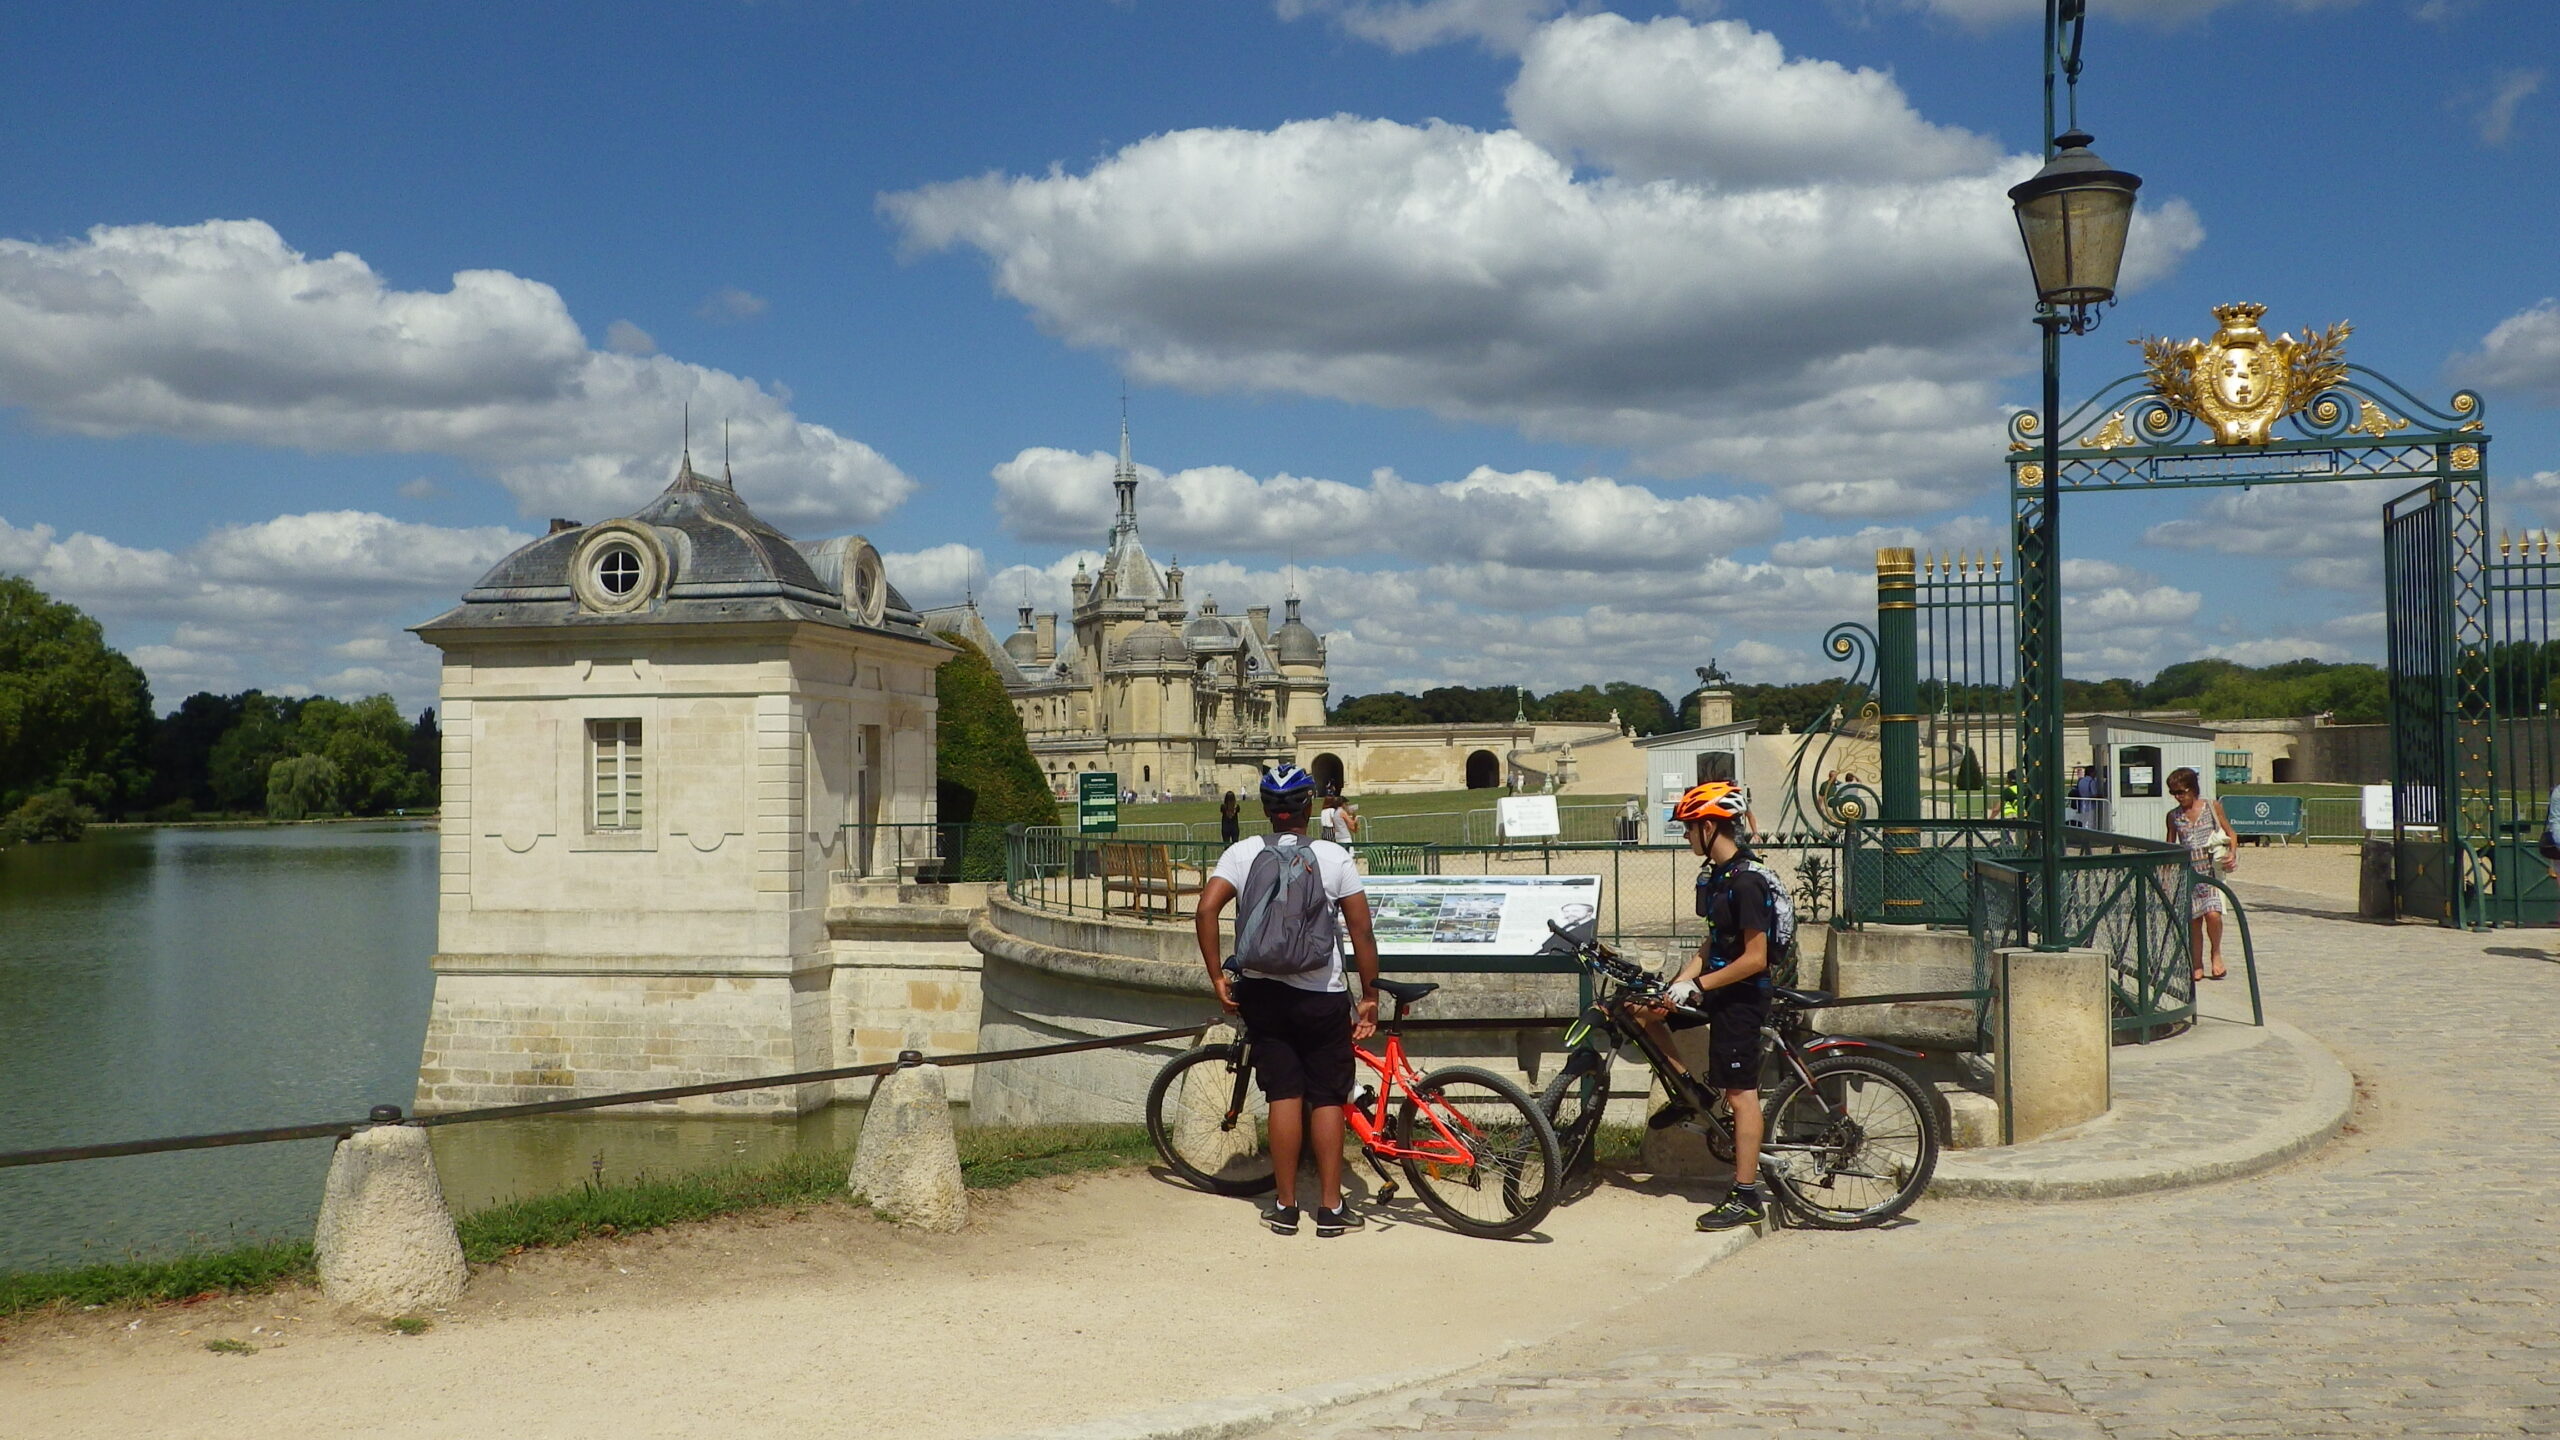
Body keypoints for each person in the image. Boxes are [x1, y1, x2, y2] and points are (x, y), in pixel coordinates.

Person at [1193, 763, 1383, 1237]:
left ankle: (1284, 1205)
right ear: (1309, 806)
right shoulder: (1333, 856)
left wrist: (1218, 976)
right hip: (1321, 993)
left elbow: (1206, 909)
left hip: (1262, 990)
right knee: (1325, 1097)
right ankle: (1332, 1207)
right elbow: (1361, 930)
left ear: (1266, 809)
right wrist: (1370, 995)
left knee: (1283, 1095)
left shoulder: (1241, 853)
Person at [1629, 780, 1775, 1233]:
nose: (1687, 837)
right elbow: (1711, 944)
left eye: (1689, 829)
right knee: (1642, 1012)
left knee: (1742, 1095)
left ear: (1710, 827)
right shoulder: (1719, 877)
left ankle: (1747, 1195)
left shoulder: (1748, 881)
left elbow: (1755, 957)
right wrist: (1676, 985)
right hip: (1713, 987)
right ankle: (1692, 1093)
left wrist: (1698, 987)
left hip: (1741, 994)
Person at [2166, 767, 2236, 981]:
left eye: (2181, 792)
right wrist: (2166, 877)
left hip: (2210, 871)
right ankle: (2196, 963)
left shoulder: (2212, 807)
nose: (2178, 797)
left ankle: (2216, 953)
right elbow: (2170, 845)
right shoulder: (2173, 816)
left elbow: (2231, 832)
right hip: (2189, 874)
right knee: (2194, 921)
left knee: (2213, 914)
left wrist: (2232, 853)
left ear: (2192, 789)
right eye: (2173, 793)